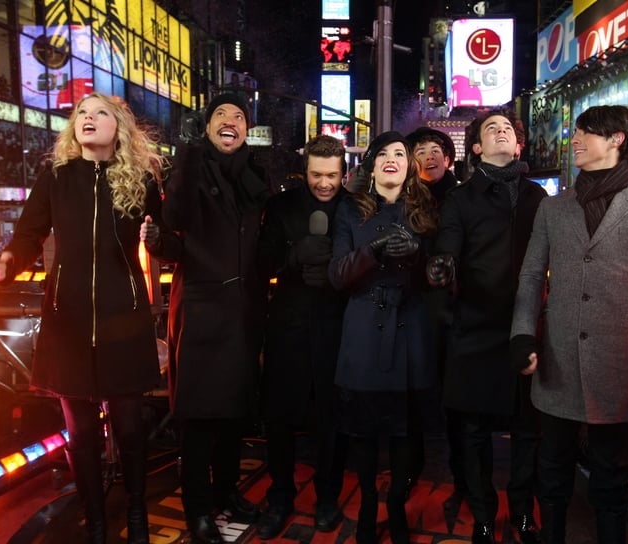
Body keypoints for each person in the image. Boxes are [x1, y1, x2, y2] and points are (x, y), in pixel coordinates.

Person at [509, 105, 628, 544]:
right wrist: (521, 333)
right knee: (551, 467)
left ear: (617, 140)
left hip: (618, 357)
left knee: (611, 474)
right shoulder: (554, 208)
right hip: (556, 352)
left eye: (585, 132)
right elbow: (532, 275)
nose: (574, 140)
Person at [0, 92, 169, 544]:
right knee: (81, 434)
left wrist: (160, 236)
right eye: (81, 114)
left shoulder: (141, 180)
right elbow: (29, 233)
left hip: (123, 320)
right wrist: (9, 259)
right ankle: (94, 519)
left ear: (119, 127)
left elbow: (168, 238)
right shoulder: (55, 175)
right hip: (67, 323)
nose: (88, 119)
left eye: (100, 113)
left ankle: (135, 512)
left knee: (130, 429)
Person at [152, 92, 270, 544]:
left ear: (246, 130)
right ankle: (198, 510)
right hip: (200, 312)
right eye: (221, 114)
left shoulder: (255, 174)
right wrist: (186, 153)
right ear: (205, 127)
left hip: (243, 312)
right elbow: (175, 216)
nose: (230, 121)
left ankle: (226, 494)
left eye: (239, 116)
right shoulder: (190, 168)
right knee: (199, 420)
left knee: (234, 415)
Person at [426, 107, 547, 544]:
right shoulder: (461, 198)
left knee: (529, 432)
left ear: (518, 144)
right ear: (475, 147)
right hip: (475, 327)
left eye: (508, 129)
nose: (501, 132)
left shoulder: (539, 198)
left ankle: (522, 512)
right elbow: (448, 247)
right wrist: (441, 268)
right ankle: (482, 514)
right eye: (490, 128)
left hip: (529, 329)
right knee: (473, 432)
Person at [328, 131, 438, 544]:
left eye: (400, 154)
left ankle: (395, 504)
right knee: (364, 432)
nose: (392, 159)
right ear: (371, 165)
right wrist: (374, 250)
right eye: (384, 154)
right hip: (363, 331)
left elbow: (435, 276)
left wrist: (422, 258)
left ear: (409, 167)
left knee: (407, 432)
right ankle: (370, 504)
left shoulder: (425, 210)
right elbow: (337, 276)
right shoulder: (348, 211)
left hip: (411, 330)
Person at [255, 135, 350, 539]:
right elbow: (263, 262)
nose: (324, 183)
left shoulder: (355, 208)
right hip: (288, 328)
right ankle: (280, 496)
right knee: (279, 419)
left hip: (339, 328)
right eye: (316, 175)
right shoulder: (280, 207)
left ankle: (328, 496)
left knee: (333, 421)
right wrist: (294, 256)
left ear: (344, 172)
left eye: (331, 175)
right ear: (304, 170)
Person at [405, 126, 465, 510]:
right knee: (414, 398)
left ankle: (463, 477)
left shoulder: (464, 198)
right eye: (421, 150)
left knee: (457, 401)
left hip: (458, 315)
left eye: (436, 149)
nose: (430, 155)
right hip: (415, 313)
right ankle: (412, 469)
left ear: (449, 157)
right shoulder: (405, 200)